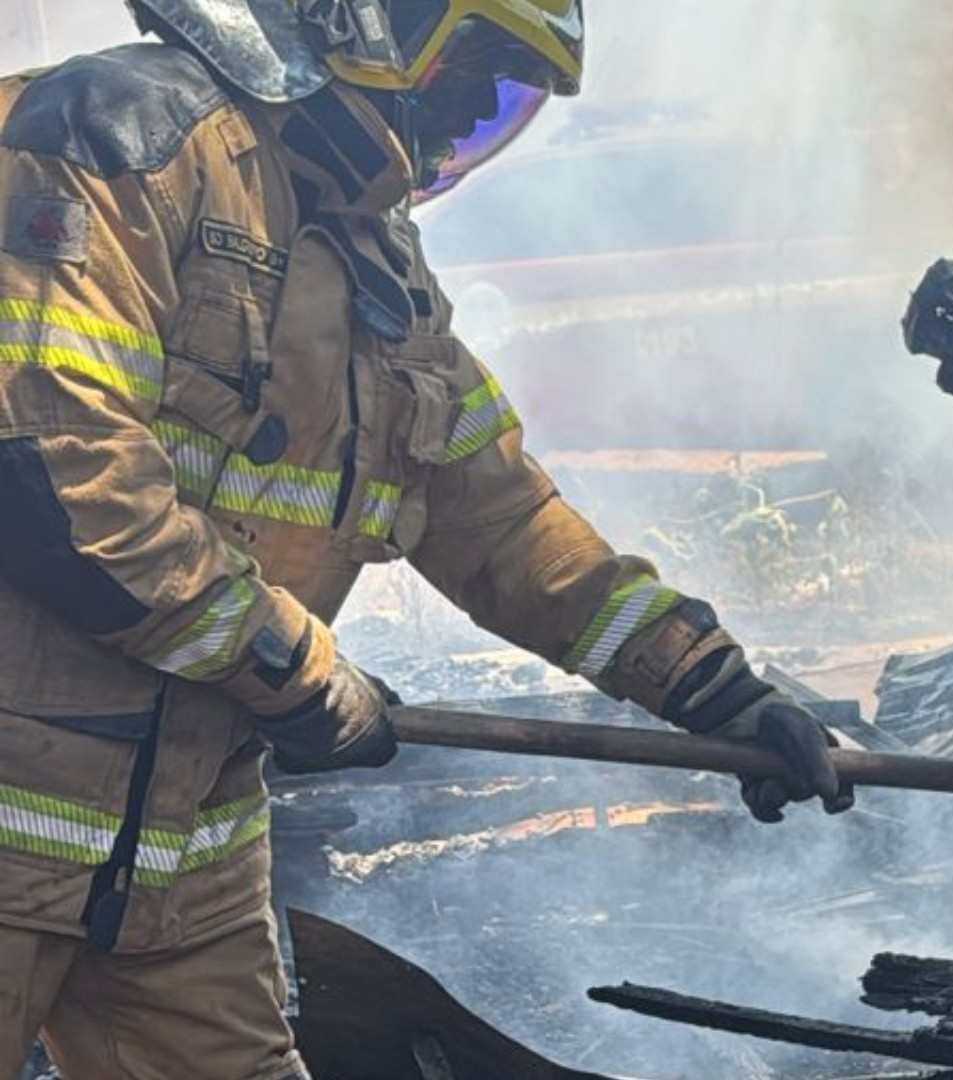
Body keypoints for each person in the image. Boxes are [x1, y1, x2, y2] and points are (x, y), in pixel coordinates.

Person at [0, 2, 851, 1077]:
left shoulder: (378, 274)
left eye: (500, 101)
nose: (459, 128)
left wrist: (711, 689)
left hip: (184, 838)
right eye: (471, 79)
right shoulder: (119, 139)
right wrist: (299, 672)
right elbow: (51, 465)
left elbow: (500, 518)